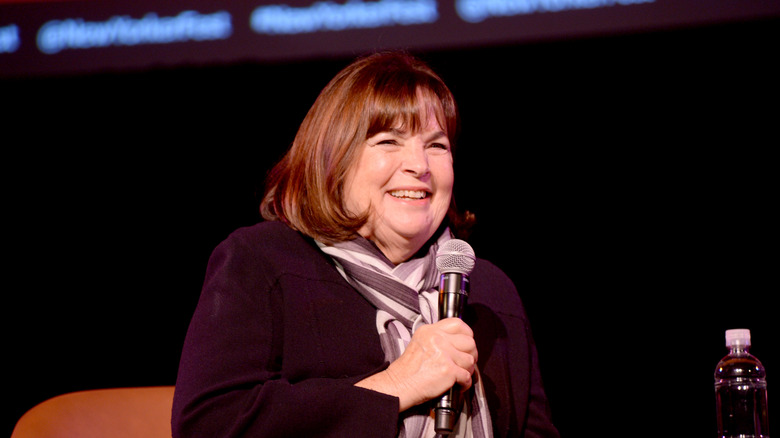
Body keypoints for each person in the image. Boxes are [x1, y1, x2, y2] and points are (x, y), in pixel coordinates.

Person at [171, 51, 559, 438]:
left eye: (437, 146)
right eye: (389, 141)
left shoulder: (490, 292)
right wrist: (398, 384)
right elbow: (209, 425)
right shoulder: (262, 262)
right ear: (334, 160)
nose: (419, 165)